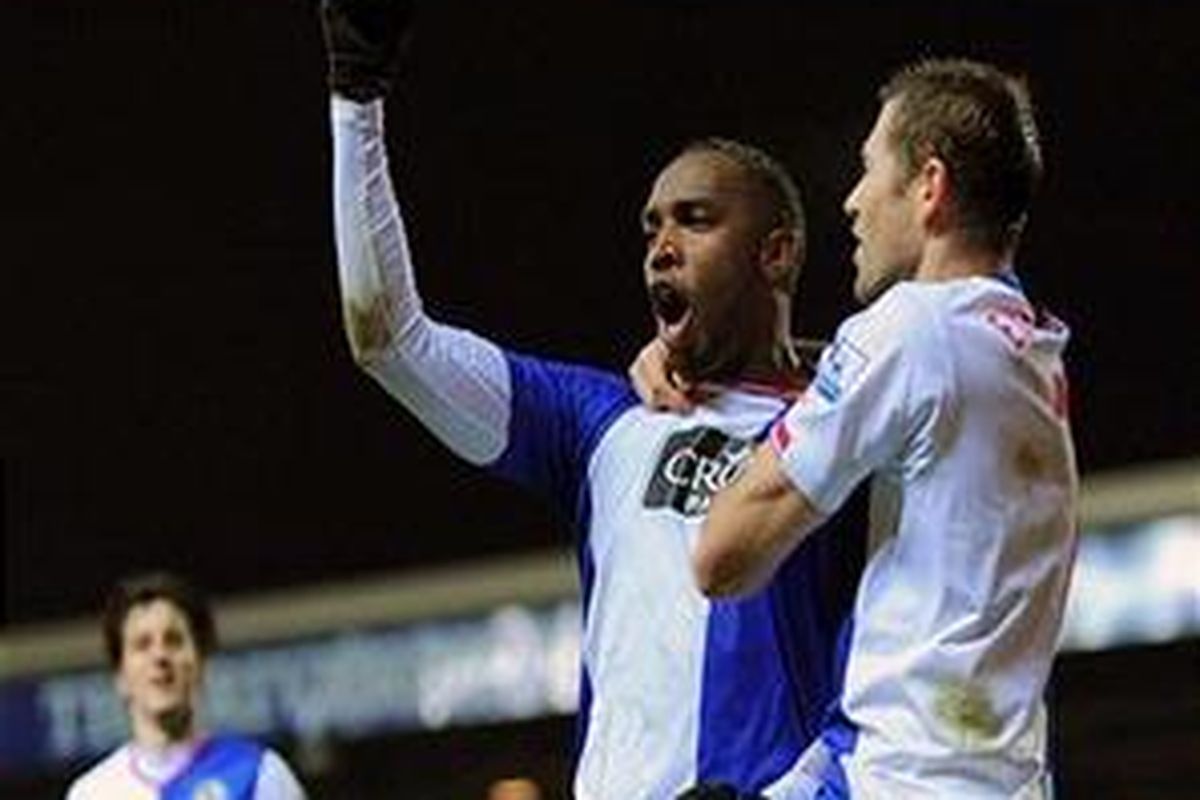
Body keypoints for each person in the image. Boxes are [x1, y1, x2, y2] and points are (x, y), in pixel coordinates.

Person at [318, 2, 862, 797]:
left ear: (775, 254)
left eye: (695, 220)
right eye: (650, 230)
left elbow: (880, 695)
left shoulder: (849, 428)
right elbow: (391, 341)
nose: (660, 248)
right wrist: (355, 102)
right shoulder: (600, 421)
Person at [679, 58, 1078, 797]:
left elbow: (722, 557)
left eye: (869, 171)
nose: (853, 202)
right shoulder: (1031, 346)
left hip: (902, 778)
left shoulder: (905, 329)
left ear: (929, 187)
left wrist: (728, 384)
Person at [65, 572, 307, 800]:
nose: (160, 656)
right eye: (142, 644)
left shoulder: (259, 773)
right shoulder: (93, 793)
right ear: (120, 676)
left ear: (200, 661)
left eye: (174, 640)